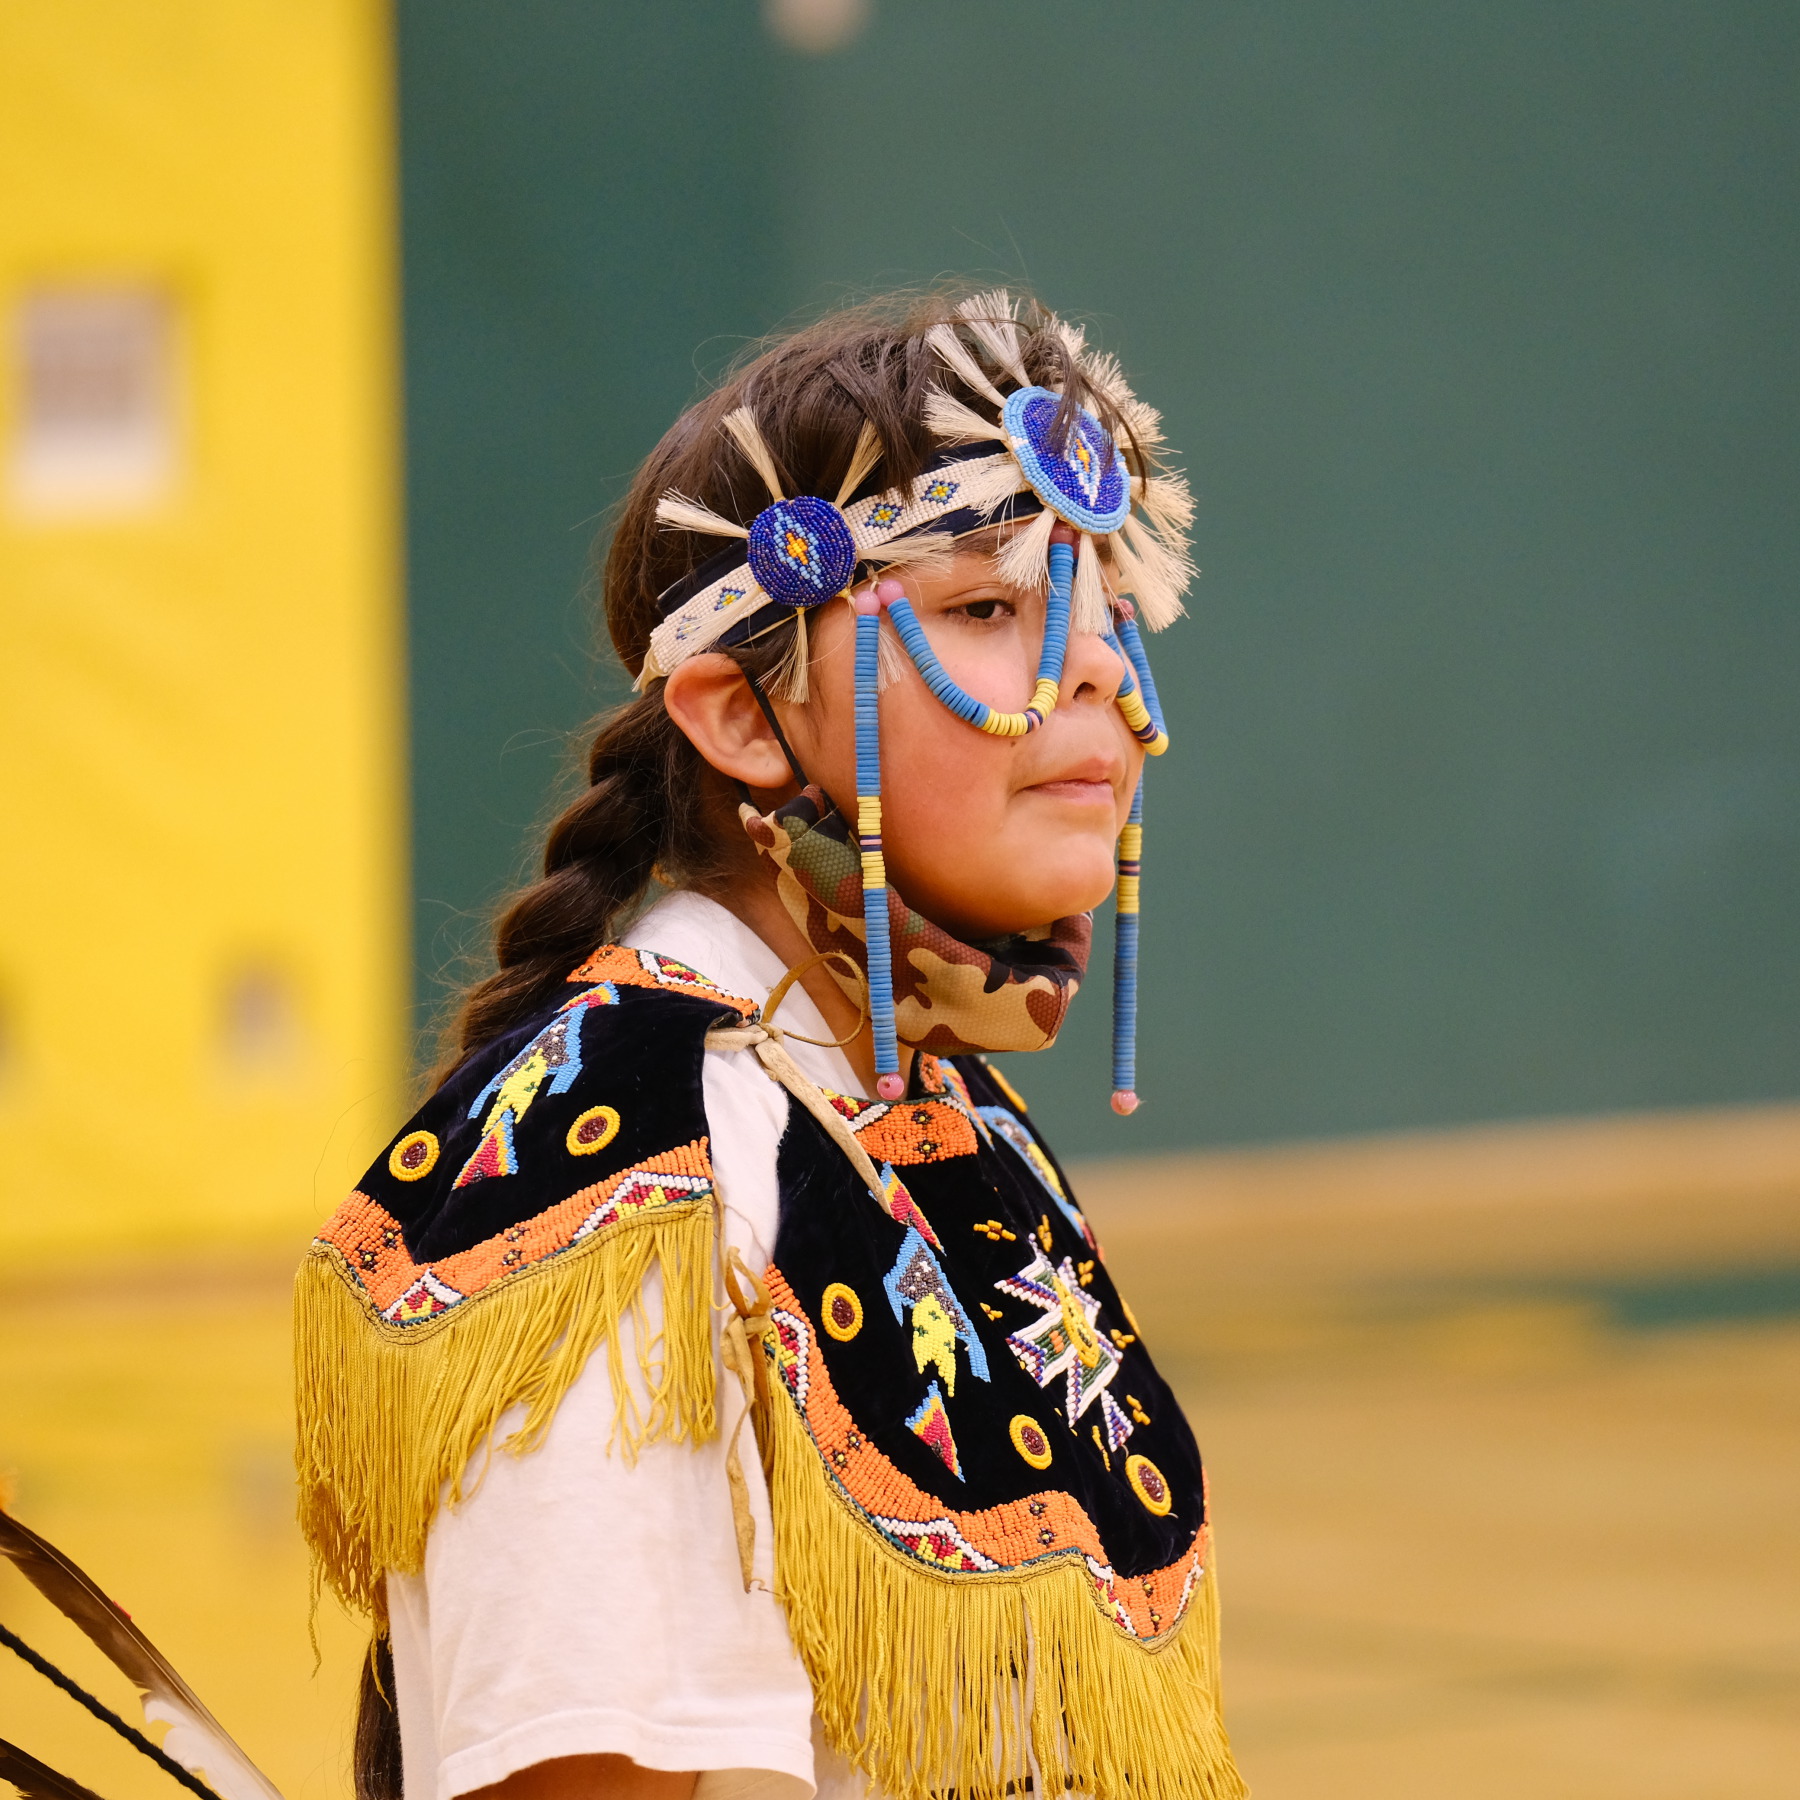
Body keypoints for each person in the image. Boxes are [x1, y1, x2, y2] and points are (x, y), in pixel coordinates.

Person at [295, 291, 1245, 1800]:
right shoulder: (623, 1192)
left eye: (1111, 607)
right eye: (988, 611)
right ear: (743, 715)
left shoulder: (940, 1116)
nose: (1095, 673)